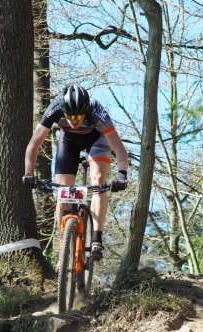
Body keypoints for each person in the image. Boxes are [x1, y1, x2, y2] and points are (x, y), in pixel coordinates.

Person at [22, 84, 129, 260]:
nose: (74, 120)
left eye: (78, 116)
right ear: (62, 110)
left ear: (85, 110)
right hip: (68, 142)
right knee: (63, 191)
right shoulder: (55, 107)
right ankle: (62, 245)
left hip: (95, 140)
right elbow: (34, 143)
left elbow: (118, 148)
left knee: (99, 179)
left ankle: (96, 238)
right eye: (70, 116)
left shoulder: (96, 111)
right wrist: (29, 173)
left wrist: (122, 174)